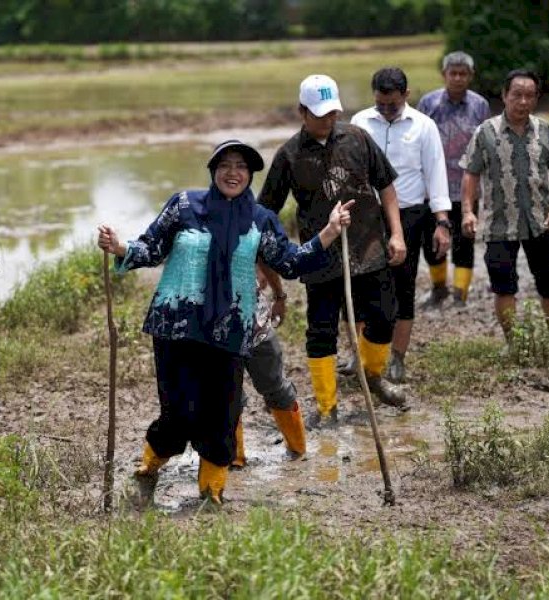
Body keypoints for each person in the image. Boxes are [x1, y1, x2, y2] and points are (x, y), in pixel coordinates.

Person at [97, 139, 353, 506]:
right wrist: (120, 247)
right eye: (225, 165)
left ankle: (211, 492)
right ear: (213, 170)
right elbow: (151, 248)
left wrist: (329, 231)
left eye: (241, 167)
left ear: (250, 176)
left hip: (230, 331)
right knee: (178, 412)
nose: (233, 173)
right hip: (176, 328)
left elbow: (291, 263)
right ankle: (148, 469)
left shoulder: (260, 220)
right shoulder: (183, 205)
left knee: (221, 412)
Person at [259, 74, 408, 427]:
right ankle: (327, 406)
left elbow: (386, 187)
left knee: (384, 316)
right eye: (319, 114)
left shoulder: (358, 138)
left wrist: (397, 234)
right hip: (321, 257)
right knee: (321, 330)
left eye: (332, 113)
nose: (328, 120)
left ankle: (372, 375)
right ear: (302, 112)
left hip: (368, 248)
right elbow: (265, 214)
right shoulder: (289, 156)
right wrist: (264, 264)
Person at [351, 67, 451, 383]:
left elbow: (436, 175)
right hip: (367, 218)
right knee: (361, 287)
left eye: (392, 105)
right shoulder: (359, 123)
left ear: (406, 96)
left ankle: (397, 358)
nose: (385, 110)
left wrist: (442, 222)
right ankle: (361, 357)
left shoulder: (424, 127)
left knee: (402, 287)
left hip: (410, 216)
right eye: (380, 104)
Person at [461, 69, 549, 339]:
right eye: (517, 95)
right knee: (504, 286)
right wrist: (467, 212)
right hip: (498, 222)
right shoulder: (485, 132)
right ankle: (514, 342)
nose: (523, 102)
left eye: (530, 96)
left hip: (541, 221)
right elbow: (470, 173)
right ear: (504, 96)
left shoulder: (546, 130)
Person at [417, 51, 491, 306]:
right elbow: (418, 141)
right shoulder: (429, 103)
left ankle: (460, 293)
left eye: (463, 74)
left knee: (464, 241)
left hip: (466, 188)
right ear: (444, 75)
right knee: (431, 242)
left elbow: (486, 146)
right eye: (453, 73)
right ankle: (438, 289)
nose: (458, 78)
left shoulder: (480, 105)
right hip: (432, 189)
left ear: (470, 76)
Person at [232, 264, 303, 468]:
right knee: (226, 394)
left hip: (254, 322)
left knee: (276, 386)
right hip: (215, 326)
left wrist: (279, 294)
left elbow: (268, 253)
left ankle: (298, 451)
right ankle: (233, 458)